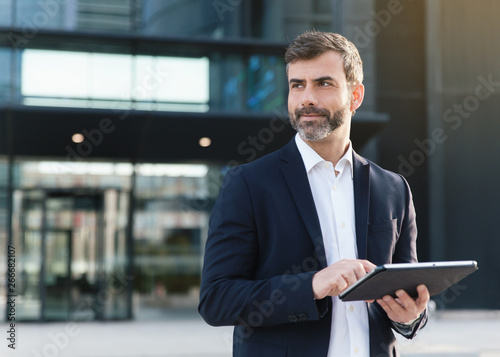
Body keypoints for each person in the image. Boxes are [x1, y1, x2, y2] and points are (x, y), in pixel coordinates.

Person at [199, 31, 429, 357]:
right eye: (297, 85)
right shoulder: (248, 184)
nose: (307, 98)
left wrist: (411, 317)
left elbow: (406, 292)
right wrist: (310, 286)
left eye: (323, 83)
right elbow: (216, 300)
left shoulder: (393, 189)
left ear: (356, 95)